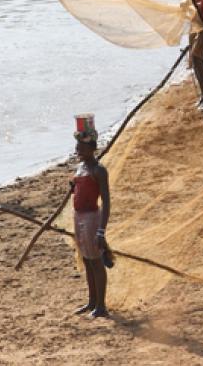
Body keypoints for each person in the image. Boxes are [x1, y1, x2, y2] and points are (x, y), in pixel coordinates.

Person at [71, 120, 111, 319]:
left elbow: (106, 202)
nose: (78, 150)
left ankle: (101, 306)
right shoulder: (80, 168)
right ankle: (92, 301)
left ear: (92, 148)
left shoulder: (99, 170)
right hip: (78, 217)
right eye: (77, 146)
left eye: (81, 147)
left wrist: (101, 231)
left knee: (96, 261)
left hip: (91, 219)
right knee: (87, 260)